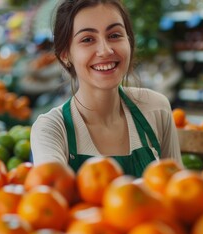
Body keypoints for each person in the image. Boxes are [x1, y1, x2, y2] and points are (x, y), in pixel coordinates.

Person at [30, 0, 182, 177]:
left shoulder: (156, 108)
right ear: (65, 55)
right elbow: (51, 198)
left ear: (130, 41)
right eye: (87, 39)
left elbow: (176, 193)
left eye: (114, 35)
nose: (105, 50)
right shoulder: (52, 129)